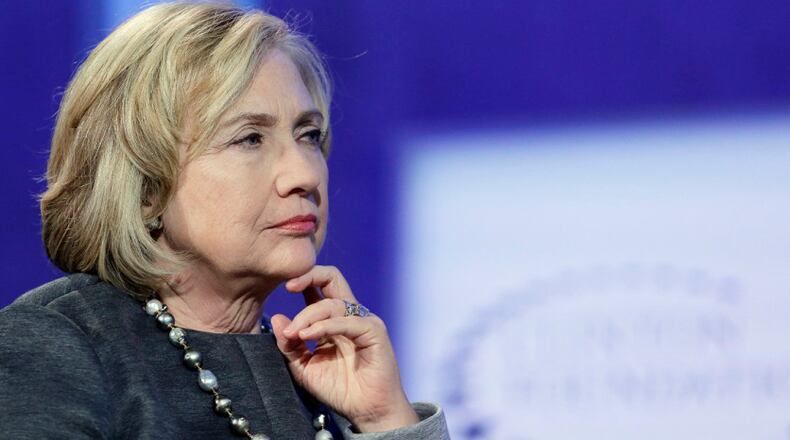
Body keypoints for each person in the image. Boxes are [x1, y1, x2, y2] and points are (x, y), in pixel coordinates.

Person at [0, 3, 450, 439]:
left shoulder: (320, 374)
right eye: (250, 138)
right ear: (144, 186)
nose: (306, 175)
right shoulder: (56, 347)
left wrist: (385, 419)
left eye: (309, 135)